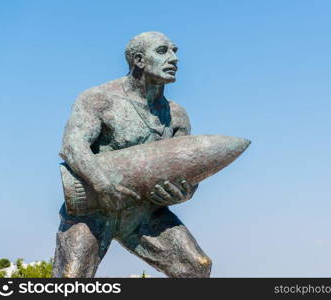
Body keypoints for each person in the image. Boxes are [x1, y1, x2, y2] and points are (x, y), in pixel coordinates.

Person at [52, 32, 212, 278]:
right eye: (163, 51)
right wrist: (103, 185)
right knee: (71, 279)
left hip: (144, 214)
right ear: (139, 60)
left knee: (197, 267)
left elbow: (187, 170)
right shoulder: (98, 99)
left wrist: (185, 193)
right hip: (93, 212)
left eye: (175, 51)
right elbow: (72, 146)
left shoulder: (176, 115)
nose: (174, 58)